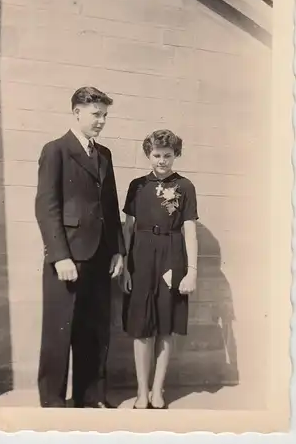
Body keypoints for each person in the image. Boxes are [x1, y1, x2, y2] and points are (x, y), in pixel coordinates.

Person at [35, 86, 126, 409]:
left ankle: (91, 397)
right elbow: (46, 207)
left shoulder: (104, 155)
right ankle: (53, 402)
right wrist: (60, 256)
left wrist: (118, 250)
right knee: (60, 333)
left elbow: (110, 207)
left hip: (100, 255)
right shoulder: (56, 150)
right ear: (76, 112)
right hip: (69, 257)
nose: (101, 121)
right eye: (95, 114)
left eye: (104, 115)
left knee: (95, 330)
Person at [121, 129, 198, 409]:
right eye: (156, 155)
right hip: (140, 256)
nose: (162, 161)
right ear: (148, 155)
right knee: (141, 326)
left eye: (167, 156)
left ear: (175, 155)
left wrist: (192, 270)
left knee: (165, 325)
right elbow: (127, 228)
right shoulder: (137, 186)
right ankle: (142, 391)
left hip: (172, 255)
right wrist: (126, 265)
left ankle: (157, 390)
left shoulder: (185, 187)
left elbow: (189, 228)